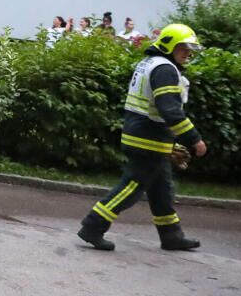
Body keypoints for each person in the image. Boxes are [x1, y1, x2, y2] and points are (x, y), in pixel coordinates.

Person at [77, 24, 207, 253]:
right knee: (131, 188)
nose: (188, 53)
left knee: (162, 190)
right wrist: (194, 140)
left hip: (145, 136)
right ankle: (92, 226)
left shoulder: (150, 63)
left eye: (190, 48)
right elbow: (170, 110)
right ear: (169, 46)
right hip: (147, 140)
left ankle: (171, 236)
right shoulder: (165, 69)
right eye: (183, 47)